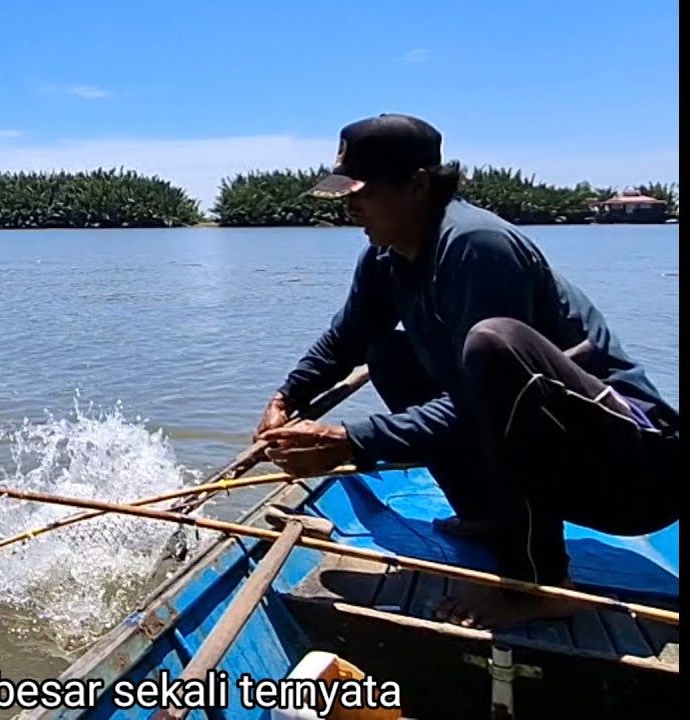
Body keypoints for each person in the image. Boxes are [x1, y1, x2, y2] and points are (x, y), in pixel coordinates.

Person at [252, 113, 680, 629]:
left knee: (492, 346)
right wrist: (286, 398)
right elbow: (347, 338)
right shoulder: (386, 256)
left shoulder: (478, 246)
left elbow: (485, 402)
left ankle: (541, 585)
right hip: (553, 452)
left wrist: (354, 440)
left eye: (361, 194)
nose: (350, 209)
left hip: (634, 473)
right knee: (386, 352)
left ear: (415, 185)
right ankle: (487, 516)